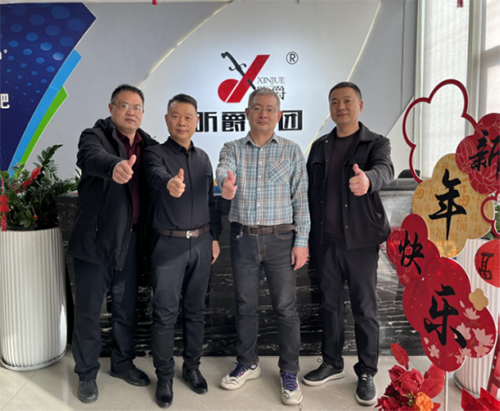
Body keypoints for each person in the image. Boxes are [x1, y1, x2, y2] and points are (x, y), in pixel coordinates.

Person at [216, 87, 310, 406]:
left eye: (270, 109)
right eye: (258, 108)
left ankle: (289, 372)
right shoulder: (232, 148)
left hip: (282, 240)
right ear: (247, 112)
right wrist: (225, 184)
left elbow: (301, 199)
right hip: (242, 238)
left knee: (285, 307)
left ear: (279, 115)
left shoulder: (292, 151)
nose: (264, 114)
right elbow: (223, 170)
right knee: (245, 304)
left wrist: (301, 242)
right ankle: (248, 363)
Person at [303, 81, 394, 406]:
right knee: (329, 305)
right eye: (334, 102)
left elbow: (385, 169)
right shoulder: (319, 146)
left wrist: (368, 179)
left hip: (360, 242)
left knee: (364, 308)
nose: (340, 107)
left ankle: (367, 371)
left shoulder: (376, 143)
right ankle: (332, 363)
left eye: (347, 101)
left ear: (360, 105)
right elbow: (307, 191)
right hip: (324, 242)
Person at [68, 84, 158, 403]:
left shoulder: (148, 144)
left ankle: (122, 364)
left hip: (130, 241)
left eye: (137, 107)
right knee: (89, 311)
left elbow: (160, 171)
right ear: (111, 108)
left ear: (143, 113)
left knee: (125, 308)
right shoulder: (94, 136)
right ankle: (86, 373)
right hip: (95, 240)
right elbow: (91, 157)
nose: (131, 112)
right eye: (124, 105)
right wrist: (114, 166)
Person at [143, 94, 222, 408]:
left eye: (188, 117)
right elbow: (154, 175)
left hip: (201, 244)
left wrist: (214, 236)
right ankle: (164, 376)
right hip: (168, 245)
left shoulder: (203, 158)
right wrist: (169, 184)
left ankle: (192, 367)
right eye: (176, 116)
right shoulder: (155, 153)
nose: (182, 122)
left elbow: (211, 201)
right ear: (167, 119)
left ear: (197, 122)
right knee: (164, 314)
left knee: (196, 311)